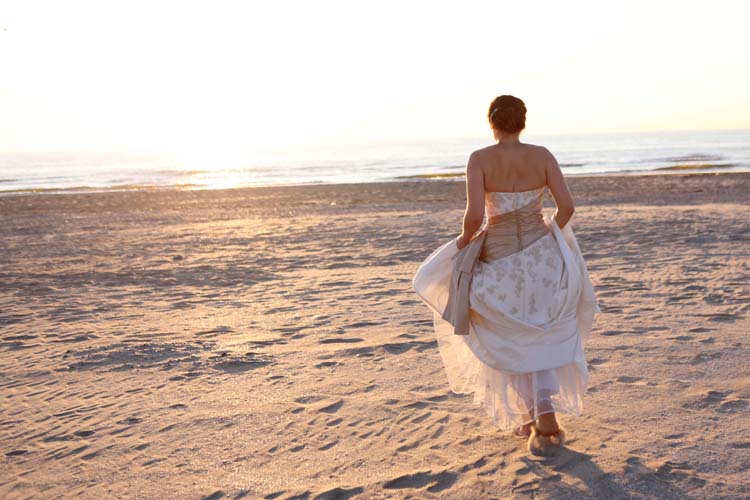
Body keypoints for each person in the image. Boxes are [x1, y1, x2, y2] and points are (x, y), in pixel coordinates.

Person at [412, 95, 600, 456]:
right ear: (523, 122)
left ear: (492, 123)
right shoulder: (542, 156)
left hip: (499, 257)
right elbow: (567, 207)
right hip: (543, 257)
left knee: (509, 334)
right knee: (541, 332)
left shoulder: (480, 159)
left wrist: (466, 244)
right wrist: (549, 235)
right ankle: (541, 416)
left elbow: (474, 215)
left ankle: (535, 417)